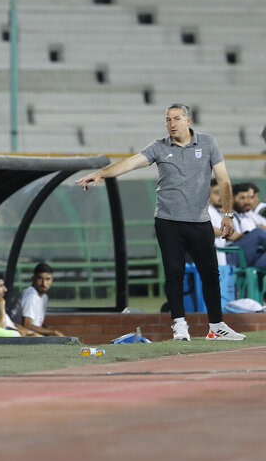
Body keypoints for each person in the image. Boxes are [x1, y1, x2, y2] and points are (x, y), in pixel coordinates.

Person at [75, 103, 244, 341]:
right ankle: (179, 324)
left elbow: (224, 181)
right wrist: (101, 173)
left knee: (210, 274)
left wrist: (228, 214)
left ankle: (216, 326)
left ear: (189, 120)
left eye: (176, 118)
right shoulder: (159, 147)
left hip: (199, 221)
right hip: (168, 221)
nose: (171, 124)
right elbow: (130, 163)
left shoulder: (208, 143)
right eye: (167, 119)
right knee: (174, 273)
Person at [0, 270, 40, 337]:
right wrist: (2, 303)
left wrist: (29, 333)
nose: (5, 289)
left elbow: (11, 324)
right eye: (1, 286)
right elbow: (0, 330)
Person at [12, 263, 63, 337]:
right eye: (40, 278)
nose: (44, 283)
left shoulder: (44, 297)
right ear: (33, 279)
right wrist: (53, 332)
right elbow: (27, 325)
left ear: (52, 280)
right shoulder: (31, 295)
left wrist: (49, 331)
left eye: (47, 279)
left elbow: (37, 323)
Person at [225, 183, 266, 268]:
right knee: (258, 233)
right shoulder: (227, 215)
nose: (248, 201)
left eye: (250, 198)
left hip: (252, 255)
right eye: (242, 198)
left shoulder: (249, 215)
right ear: (232, 199)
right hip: (233, 254)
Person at [207, 179, 227, 266]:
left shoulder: (218, 212)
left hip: (221, 256)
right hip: (211, 256)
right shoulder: (205, 210)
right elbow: (208, 229)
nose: (221, 196)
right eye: (217, 192)